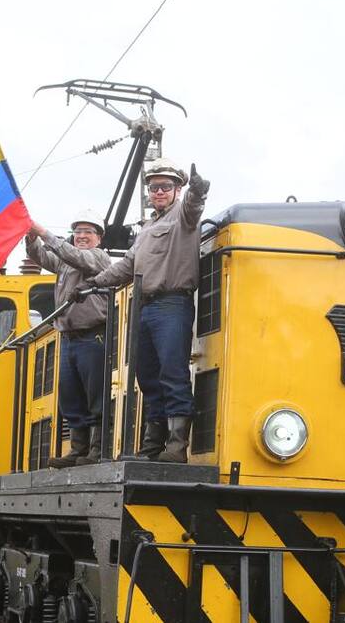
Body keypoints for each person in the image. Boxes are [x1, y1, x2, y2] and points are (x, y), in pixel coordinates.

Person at [87, 158, 209, 463]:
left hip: (172, 305)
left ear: (177, 189)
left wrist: (198, 189)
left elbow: (194, 205)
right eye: (154, 187)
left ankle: (177, 447)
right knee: (148, 376)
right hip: (146, 309)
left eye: (166, 187)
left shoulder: (183, 216)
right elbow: (127, 266)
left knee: (172, 372)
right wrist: (92, 284)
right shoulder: (146, 229)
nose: (159, 192)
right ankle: (152, 446)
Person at [26, 209, 112, 467]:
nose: (82, 236)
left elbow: (72, 255)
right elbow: (41, 255)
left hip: (92, 335)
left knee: (95, 394)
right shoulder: (65, 260)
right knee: (71, 396)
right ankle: (78, 449)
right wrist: (31, 237)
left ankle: (96, 451)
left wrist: (43, 231)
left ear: (99, 238)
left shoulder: (98, 258)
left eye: (88, 232)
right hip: (69, 337)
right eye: (78, 232)